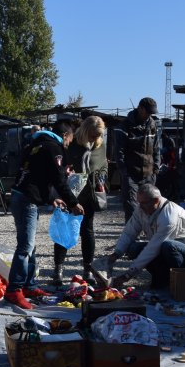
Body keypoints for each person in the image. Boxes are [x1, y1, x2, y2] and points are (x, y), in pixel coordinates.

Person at [4, 122, 84, 310]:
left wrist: (50, 199)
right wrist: (73, 203)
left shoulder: (36, 145)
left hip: (19, 195)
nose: (68, 144)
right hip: (26, 200)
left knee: (30, 245)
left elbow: (37, 176)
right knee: (25, 246)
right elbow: (58, 180)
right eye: (70, 140)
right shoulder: (53, 148)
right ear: (65, 135)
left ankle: (29, 285)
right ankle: (14, 290)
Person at [106, 183, 185, 289]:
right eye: (139, 202)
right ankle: (161, 277)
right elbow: (129, 233)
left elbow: (153, 249)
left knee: (168, 246)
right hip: (161, 248)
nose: (140, 206)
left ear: (156, 201)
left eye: (144, 203)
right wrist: (117, 253)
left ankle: (179, 279)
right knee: (133, 248)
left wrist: (128, 275)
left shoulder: (169, 216)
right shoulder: (141, 209)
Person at [52, 116, 109, 285]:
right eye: (92, 135)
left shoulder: (99, 145)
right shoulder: (71, 144)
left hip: (89, 194)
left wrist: (101, 177)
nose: (95, 138)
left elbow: (104, 164)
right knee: (64, 228)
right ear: (85, 131)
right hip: (70, 192)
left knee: (87, 230)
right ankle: (58, 270)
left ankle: (87, 270)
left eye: (98, 135)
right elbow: (59, 165)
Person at [116, 97, 161, 221]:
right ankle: (132, 233)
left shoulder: (153, 125)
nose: (149, 115)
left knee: (150, 208)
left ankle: (148, 232)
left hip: (149, 175)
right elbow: (119, 152)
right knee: (132, 208)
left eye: (152, 113)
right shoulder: (124, 126)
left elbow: (157, 149)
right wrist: (124, 172)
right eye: (148, 112)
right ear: (140, 108)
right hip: (131, 175)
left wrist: (156, 168)